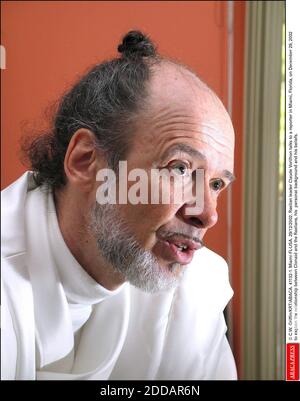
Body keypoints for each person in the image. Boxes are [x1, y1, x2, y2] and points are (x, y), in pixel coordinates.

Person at [1, 31, 237, 380]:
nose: (207, 213)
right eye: (181, 169)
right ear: (85, 161)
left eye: (216, 183)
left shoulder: (197, 286)